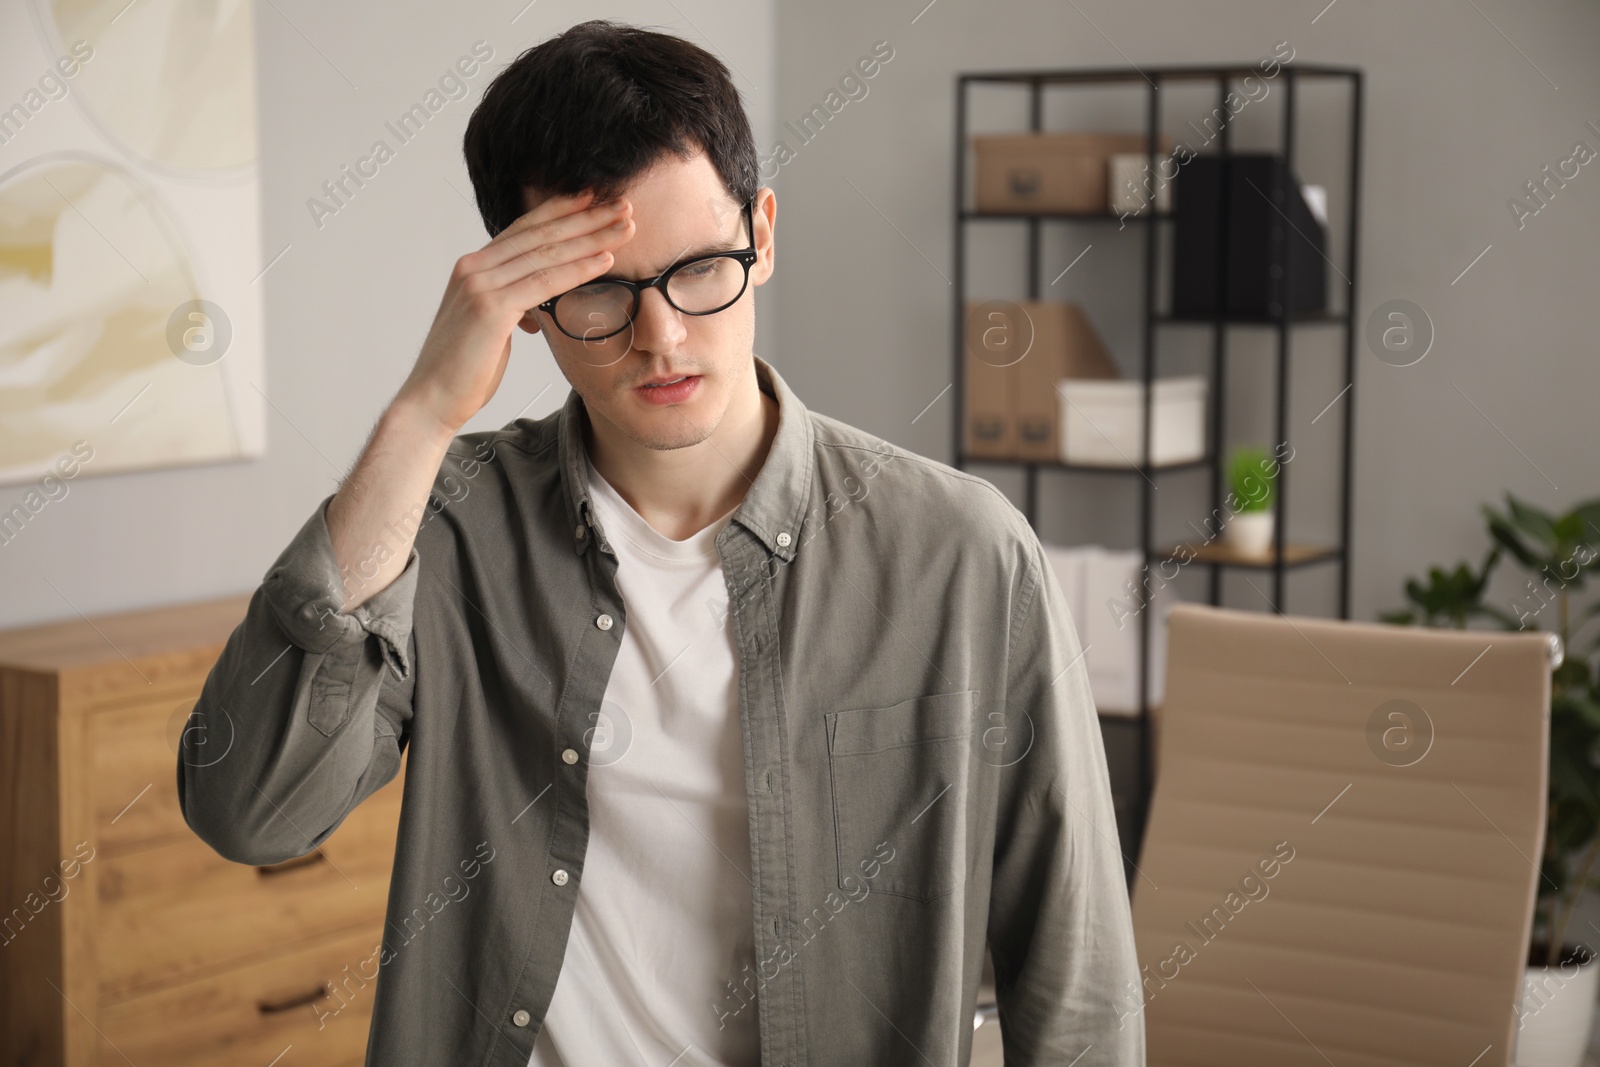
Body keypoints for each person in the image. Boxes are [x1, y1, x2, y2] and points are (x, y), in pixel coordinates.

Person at [177, 17, 1143, 1067]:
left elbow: (1076, 976)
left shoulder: (962, 556)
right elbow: (250, 809)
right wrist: (420, 413)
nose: (663, 335)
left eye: (698, 268)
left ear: (762, 235)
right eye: (598, 287)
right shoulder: (446, 527)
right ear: (526, 304)